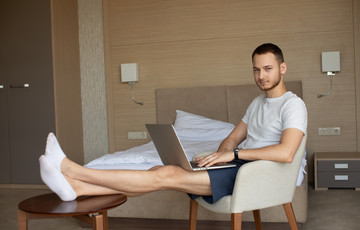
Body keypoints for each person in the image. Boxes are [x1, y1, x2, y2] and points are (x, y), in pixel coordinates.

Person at [39, 43, 307, 202]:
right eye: (256, 69)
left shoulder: (293, 105)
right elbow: (233, 137)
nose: (261, 75)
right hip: (241, 166)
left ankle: (74, 171)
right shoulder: (257, 103)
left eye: (268, 69)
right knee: (160, 170)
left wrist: (234, 154)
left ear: (282, 68)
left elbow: (286, 153)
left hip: (260, 176)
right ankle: (78, 189)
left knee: (165, 174)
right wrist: (221, 153)